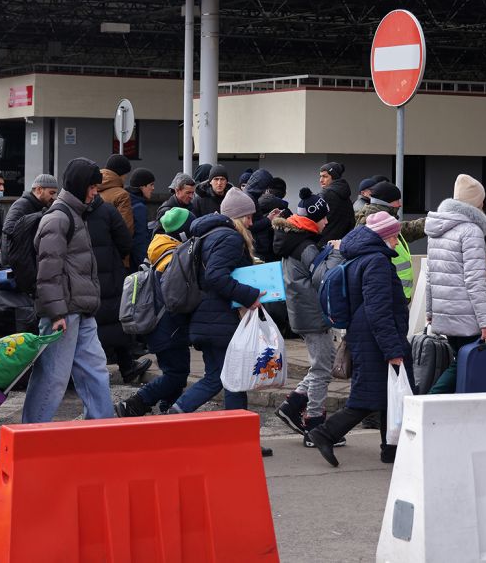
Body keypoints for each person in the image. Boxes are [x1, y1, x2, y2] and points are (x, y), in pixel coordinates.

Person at [306, 213, 412, 467]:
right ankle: (325, 433)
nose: (396, 242)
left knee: (388, 395)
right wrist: (392, 349)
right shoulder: (377, 261)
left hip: (364, 334)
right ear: (383, 237)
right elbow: (379, 310)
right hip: (376, 338)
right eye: (394, 237)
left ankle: (392, 450)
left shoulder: (360, 257)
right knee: (367, 398)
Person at [21, 158, 113, 423]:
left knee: (95, 372)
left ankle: (103, 429)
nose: (95, 193)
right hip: (64, 312)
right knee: (53, 378)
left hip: (79, 310)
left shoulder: (72, 214)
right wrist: (56, 313)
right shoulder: (60, 217)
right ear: (80, 185)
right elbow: (48, 272)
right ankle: (32, 433)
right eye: (92, 187)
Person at [169, 189, 264, 418]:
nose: (251, 223)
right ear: (237, 217)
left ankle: (174, 414)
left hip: (206, 317)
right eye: (248, 217)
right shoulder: (230, 238)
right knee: (233, 379)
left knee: (216, 377)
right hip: (220, 320)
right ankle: (238, 432)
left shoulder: (210, 234)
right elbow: (215, 276)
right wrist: (250, 295)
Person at [116, 207, 194, 417]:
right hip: (168, 327)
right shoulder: (173, 257)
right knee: (176, 374)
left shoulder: (159, 249)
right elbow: (176, 297)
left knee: (176, 373)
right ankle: (135, 403)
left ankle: (167, 411)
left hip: (160, 325)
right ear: (182, 232)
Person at [272, 212, 340, 444]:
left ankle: (292, 405)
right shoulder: (305, 246)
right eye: (323, 218)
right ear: (313, 219)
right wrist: (337, 252)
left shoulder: (294, 242)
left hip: (304, 314)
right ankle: (314, 426)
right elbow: (324, 276)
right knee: (322, 370)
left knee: (324, 363)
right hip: (313, 316)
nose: (327, 222)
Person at [423, 175, 486, 393]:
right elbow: (475, 280)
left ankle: (446, 406)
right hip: (466, 314)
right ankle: (429, 401)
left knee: (459, 360)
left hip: (444, 310)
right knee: (464, 363)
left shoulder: (438, 229)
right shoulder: (471, 231)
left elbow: (431, 274)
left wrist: (430, 311)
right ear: (475, 203)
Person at [88, 191, 147, 385]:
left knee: (90, 324)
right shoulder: (108, 211)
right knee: (116, 320)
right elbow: (125, 242)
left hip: (85, 277)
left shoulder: (71, 212)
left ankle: (93, 371)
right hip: (111, 275)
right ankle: (127, 366)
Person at [354, 181, 425, 300]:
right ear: (385, 202)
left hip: (394, 294)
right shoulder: (375, 226)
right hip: (388, 296)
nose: (400, 204)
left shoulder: (381, 223)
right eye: (396, 200)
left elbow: (408, 229)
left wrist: (432, 222)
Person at [0, 174, 58, 294]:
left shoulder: (38, 206)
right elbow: (9, 230)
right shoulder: (22, 205)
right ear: (39, 190)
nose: (54, 197)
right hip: (19, 270)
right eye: (51, 193)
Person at [314, 161, 354, 245]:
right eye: (320, 176)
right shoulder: (346, 196)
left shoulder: (325, 194)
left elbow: (313, 219)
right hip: (341, 243)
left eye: (325, 176)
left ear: (334, 177)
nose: (321, 180)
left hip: (323, 243)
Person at [99, 154, 135, 234]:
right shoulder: (122, 195)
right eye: (126, 174)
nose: (126, 177)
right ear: (122, 173)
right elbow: (126, 228)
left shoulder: (92, 187)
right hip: (111, 240)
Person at [127, 168, 156, 265]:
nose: (153, 188)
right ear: (142, 186)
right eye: (151, 184)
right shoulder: (139, 208)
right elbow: (140, 240)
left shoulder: (127, 201)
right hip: (136, 263)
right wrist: (144, 264)